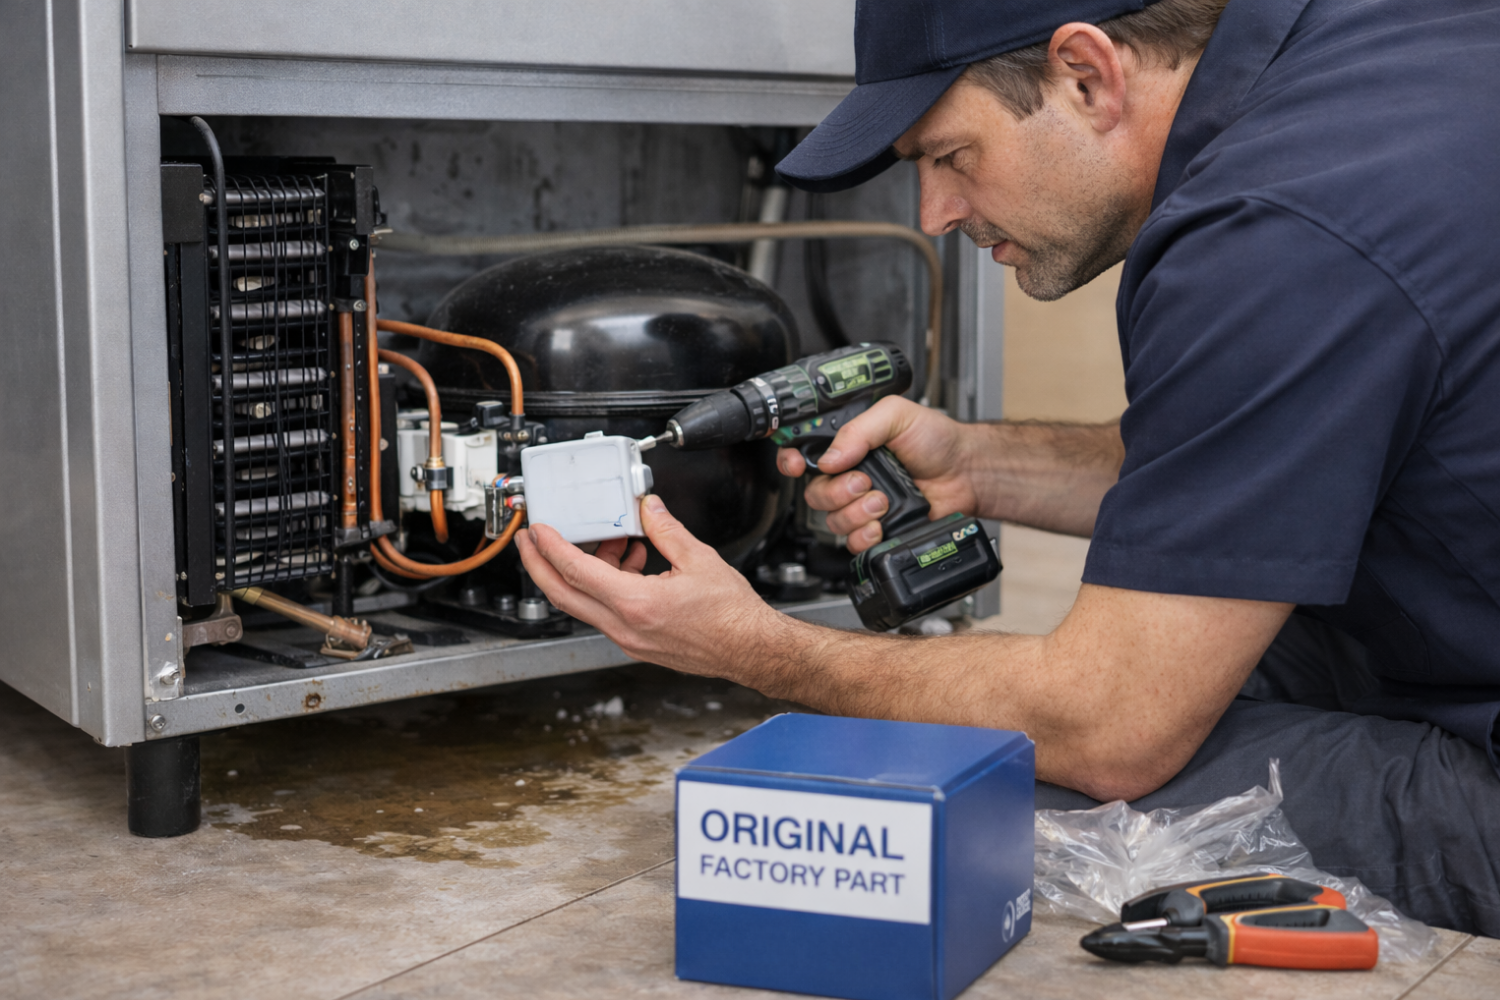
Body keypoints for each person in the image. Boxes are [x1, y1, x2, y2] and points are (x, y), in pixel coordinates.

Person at [517, 0, 1500, 935]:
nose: (937, 212)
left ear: (1086, 74)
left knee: (1028, 781)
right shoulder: (1364, 58)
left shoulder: (1273, 229)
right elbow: (1251, 443)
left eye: (952, 157)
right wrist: (978, 462)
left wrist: (756, 647)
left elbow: (1111, 727)